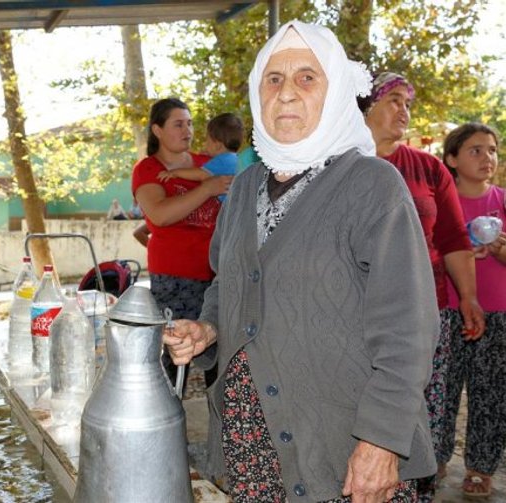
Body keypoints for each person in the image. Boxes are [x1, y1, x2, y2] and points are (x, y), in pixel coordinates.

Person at [164, 20, 438, 502]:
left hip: (344, 448)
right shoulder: (245, 187)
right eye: (273, 79)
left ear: (334, 92)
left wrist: (380, 441)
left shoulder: (372, 185)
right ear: (256, 93)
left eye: (307, 77)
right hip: (252, 443)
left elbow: (408, 326)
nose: (286, 93)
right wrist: (208, 329)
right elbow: (226, 286)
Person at [358, 72, 486, 501]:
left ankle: (416, 492)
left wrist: (468, 297)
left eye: (407, 103)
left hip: (424, 312)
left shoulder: (428, 168)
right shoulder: (338, 163)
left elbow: (452, 238)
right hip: (351, 314)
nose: (404, 110)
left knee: (422, 411)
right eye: (394, 100)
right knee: (354, 409)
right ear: (365, 105)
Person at [132, 97, 231, 388]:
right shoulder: (148, 169)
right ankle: (164, 424)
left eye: (189, 123)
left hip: (217, 275)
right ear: (157, 130)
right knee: (173, 358)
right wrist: (207, 188)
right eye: (178, 124)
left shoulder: (207, 163)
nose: (187, 130)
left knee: (221, 355)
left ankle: (222, 427)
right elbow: (160, 215)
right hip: (175, 279)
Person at [438, 123, 506, 499]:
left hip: (498, 312)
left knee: (491, 392)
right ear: (452, 159)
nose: (487, 158)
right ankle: (436, 458)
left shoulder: (503, 200)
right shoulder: (441, 200)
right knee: (442, 389)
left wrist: (498, 250)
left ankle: (481, 467)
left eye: (492, 150)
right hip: (448, 309)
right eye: (475, 150)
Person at [157, 112, 244, 201]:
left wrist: (174, 172)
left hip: (229, 210)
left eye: (208, 140)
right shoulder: (237, 159)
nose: (205, 144)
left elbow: (200, 174)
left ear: (217, 145)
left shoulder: (222, 161)